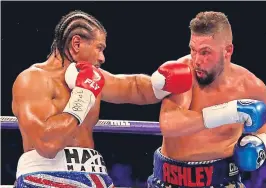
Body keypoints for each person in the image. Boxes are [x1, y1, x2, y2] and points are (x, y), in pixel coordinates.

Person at [11, 10, 192, 187]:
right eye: (99, 48)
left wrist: (162, 83)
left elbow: (133, 87)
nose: (102, 57)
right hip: (44, 176)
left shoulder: (93, 78)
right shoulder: (33, 80)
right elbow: (46, 144)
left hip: (94, 175)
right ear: (76, 44)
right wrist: (83, 95)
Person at [148, 11, 266, 188]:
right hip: (171, 179)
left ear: (228, 51)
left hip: (224, 180)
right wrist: (229, 112)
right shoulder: (183, 73)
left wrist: (262, 141)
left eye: (205, 52)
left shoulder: (251, 86)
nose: (197, 60)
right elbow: (169, 124)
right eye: (193, 50)